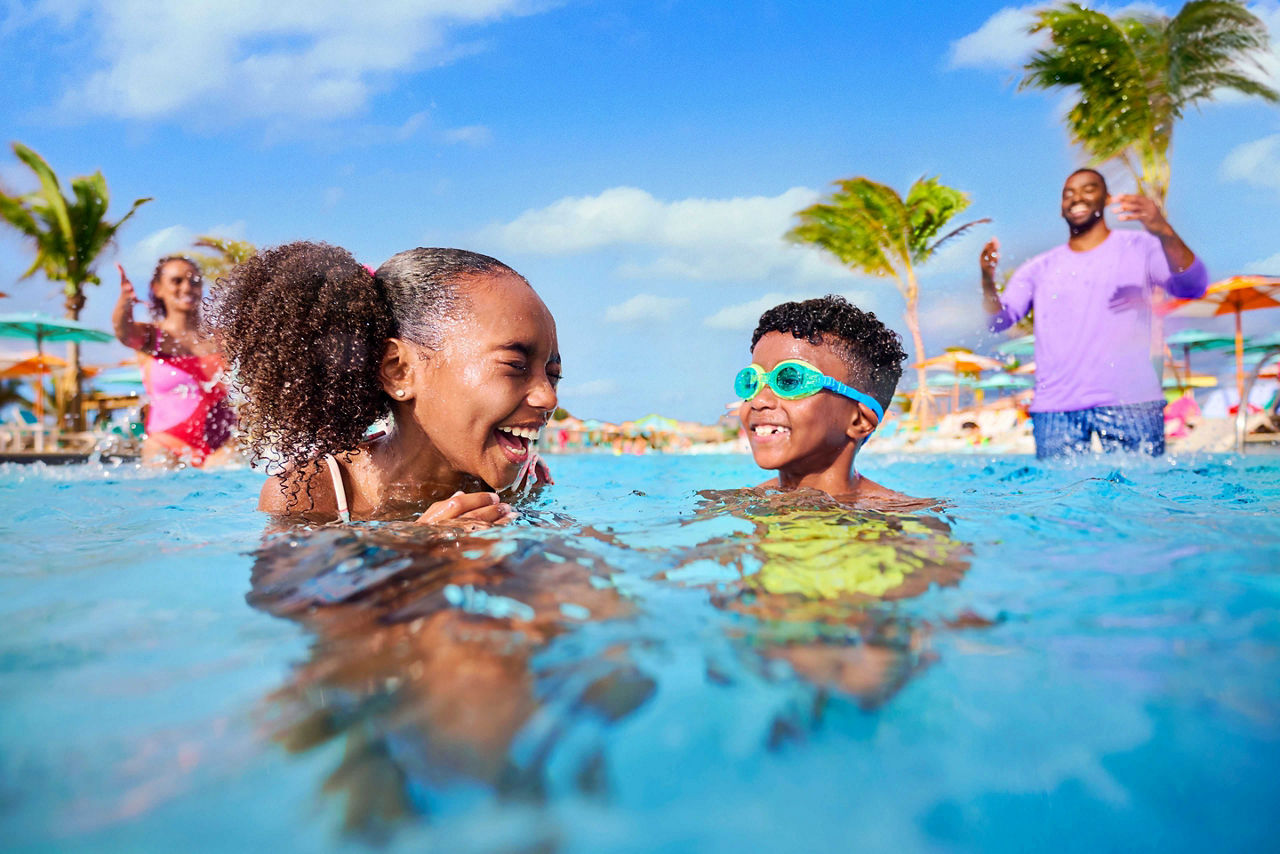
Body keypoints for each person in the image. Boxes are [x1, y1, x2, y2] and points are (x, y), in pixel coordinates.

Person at [207, 242, 559, 526]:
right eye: (515, 365)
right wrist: (417, 551)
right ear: (398, 371)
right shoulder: (315, 494)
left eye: (552, 374)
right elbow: (289, 603)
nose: (548, 397)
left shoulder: (522, 482)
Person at [979, 168, 1209, 458]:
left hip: (1131, 402)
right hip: (1055, 410)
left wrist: (1163, 229)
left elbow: (1193, 286)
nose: (1077, 198)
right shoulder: (1037, 268)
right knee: (1059, 502)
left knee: (1140, 498)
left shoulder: (1140, 247)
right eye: (1068, 193)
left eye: (1088, 189)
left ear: (1107, 198)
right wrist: (987, 281)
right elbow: (999, 322)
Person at [735, 294, 922, 508]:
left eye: (790, 379)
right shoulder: (734, 505)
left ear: (859, 420)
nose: (758, 400)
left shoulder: (907, 520)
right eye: (751, 381)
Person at [113, 257, 237, 467]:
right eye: (177, 281)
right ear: (158, 289)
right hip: (166, 443)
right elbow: (123, 331)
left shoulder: (222, 338)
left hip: (223, 445)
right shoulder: (151, 337)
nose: (187, 287)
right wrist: (125, 301)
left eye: (195, 281)